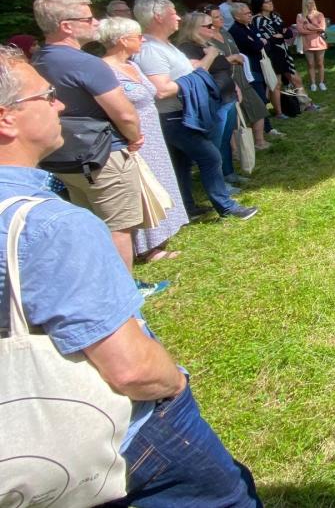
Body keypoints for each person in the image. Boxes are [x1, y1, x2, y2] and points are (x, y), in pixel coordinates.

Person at [0, 48, 262, 506]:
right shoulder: (50, 226)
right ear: (7, 119)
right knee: (230, 497)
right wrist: (175, 387)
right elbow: (131, 369)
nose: (60, 104)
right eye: (47, 96)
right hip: (121, 433)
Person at [31, 0, 146, 275]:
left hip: (63, 156)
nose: (96, 22)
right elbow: (125, 113)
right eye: (88, 18)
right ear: (66, 26)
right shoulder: (86, 63)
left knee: (92, 223)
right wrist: (134, 137)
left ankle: (102, 282)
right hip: (104, 155)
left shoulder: (38, 60)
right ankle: (123, 296)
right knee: (118, 227)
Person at [132, 0, 259, 220]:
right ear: (158, 17)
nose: (178, 17)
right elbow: (160, 90)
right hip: (173, 115)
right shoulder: (151, 49)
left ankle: (186, 208)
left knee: (182, 163)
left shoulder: (165, 45)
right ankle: (226, 206)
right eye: (173, 13)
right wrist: (198, 73)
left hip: (185, 112)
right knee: (210, 157)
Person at [99, 17, 189, 258]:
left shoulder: (133, 65)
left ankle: (163, 234)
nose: (142, 40)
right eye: (137, 36)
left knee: (160, 181)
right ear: (122, 40)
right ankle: (146, 247)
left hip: (153, 133)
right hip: (132, 138)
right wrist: (131, 135)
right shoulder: (105, 70)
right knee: (140, 188)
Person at [176, 12, 243, 195]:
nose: (213, 28)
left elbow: (222, 70)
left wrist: (234, 85)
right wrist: (212, 55)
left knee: (225, 140)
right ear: (194, 29)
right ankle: (219, 184)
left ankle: (229, 173)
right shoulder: (187, 48)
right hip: (213, 102)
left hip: (227, 98)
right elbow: (195, 72)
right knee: (214, 144)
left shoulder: (206, 45)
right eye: (208, 26)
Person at [208, 6, 269, 157]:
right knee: (232, 116)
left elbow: (236, 50)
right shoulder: (206, 39)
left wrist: (237, 58)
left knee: (258, 106)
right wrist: (230, 59)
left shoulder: (224, 32)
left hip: (241, 76)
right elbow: (211, 63)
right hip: (224, 80)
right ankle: (235, 150)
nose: (221, 18)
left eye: (220, 16)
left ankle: (259, 141)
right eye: (216, 17)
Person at [229, 3, 281, 132]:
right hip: (250, 69)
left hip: (261, 65)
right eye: (246, 14)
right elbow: (254, 46)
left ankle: (265, 126)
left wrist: (261, 43)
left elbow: (266, 44)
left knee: (264, 94)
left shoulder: (251, 26)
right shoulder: (236, 31)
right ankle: (266, 128)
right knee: (259, 99)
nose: (250, 15)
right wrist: (260, 43)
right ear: (237, 16)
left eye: (249, 12)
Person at [251, 0, 304, 95]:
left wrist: (281, 34)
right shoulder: (257, 20)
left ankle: (305, 102)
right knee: (277, 83)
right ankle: (280, 110)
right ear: (259, 5)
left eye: (271, 0)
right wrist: (279, 34)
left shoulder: (276, 17)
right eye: (267, 2)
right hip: (272, 54)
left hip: (284, 52)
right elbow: (268, 38)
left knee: (296, 78)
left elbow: (289, 33)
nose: (270, 3)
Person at [296, 0, 328, 90]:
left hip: (319, 42)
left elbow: (322, 28)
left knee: (320, 63)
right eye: (308, 3)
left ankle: (321, 82)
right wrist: (315, 29)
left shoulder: (319, 14)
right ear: (304, 4)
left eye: (312, 2)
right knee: (310, 64)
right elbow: (301, 30)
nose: (311, 4)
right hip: (307, 43)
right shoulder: (300, 16)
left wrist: (308, 26)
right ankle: (313, 83)